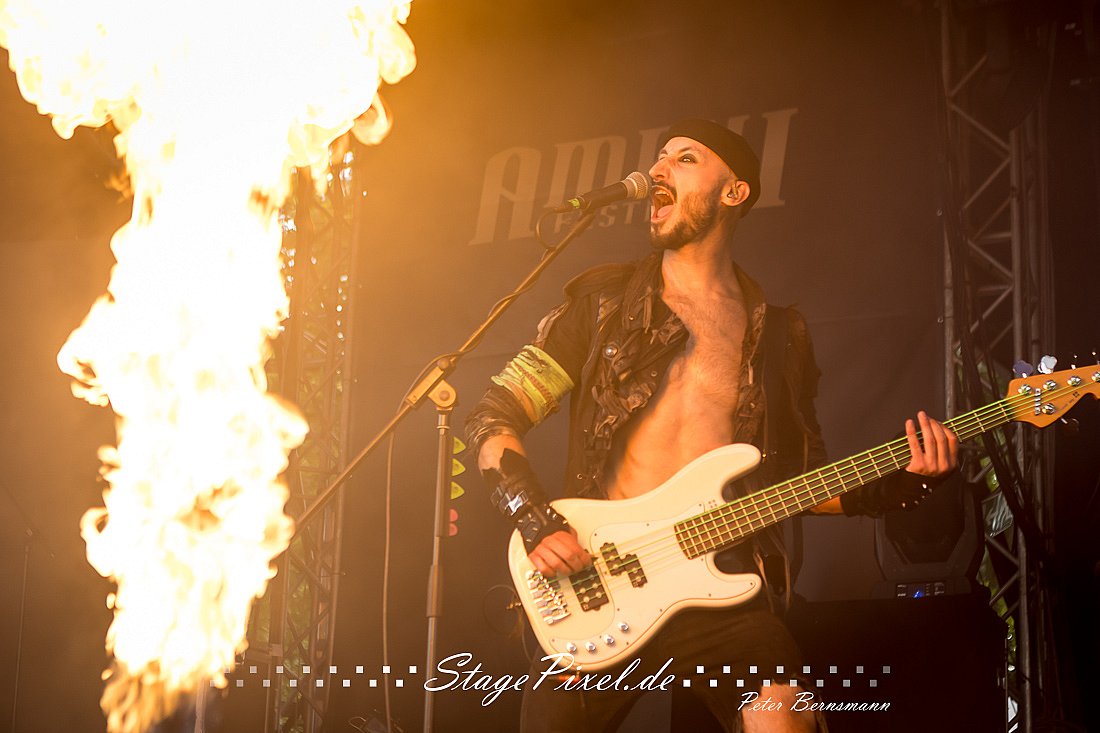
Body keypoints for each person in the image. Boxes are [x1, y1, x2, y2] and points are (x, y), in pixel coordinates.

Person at [464, 118, 958, 732]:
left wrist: (902, 483)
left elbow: (797, 478)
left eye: (685, 158)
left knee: (786, 716)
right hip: (597, 581)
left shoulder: (780, 336)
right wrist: (534, 518)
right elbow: (494, 414)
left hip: (724, 587)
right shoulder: (600, 306)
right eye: (660, 156)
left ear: (733, 191)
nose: (657, 170)